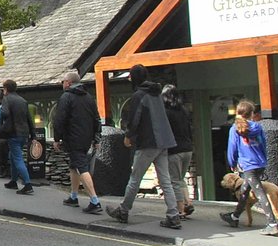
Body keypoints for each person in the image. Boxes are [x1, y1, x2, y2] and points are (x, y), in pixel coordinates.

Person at [106, 64, 183, 229]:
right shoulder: (157, 94)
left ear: (133, 78)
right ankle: (173, 214)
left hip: (149, 142)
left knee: (135, 178)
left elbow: (134, 119)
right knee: (165, 180)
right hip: (164, 141)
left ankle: (124, 210)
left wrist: (128, 136)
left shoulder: (139, 96)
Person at [222, 100, 278, 235]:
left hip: (248, 165)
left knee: (259, 193)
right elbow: (263, 145)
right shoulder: (257, 127)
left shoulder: (234, 129)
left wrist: (232, 162)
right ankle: (234, 217)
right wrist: (264, 161)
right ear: (252, 114)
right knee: (245, 190)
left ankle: (272, 223)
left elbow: (232, 149)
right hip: (260, 163)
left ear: (238, 113)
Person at [53, 70, 103, 214]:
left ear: (68, 83)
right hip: (86, 138)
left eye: (63, 81)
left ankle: (95, 201)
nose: (62, 83)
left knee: (81, 167)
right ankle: (73, 196)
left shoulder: (66, 97)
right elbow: (96, 119)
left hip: (73, 138)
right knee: (74, 166)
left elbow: (59, 120)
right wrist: (96, 138)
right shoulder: (88, 97)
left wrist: (57, 139)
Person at [0, 79, 37, 195]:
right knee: (13, 155)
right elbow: (29, 119)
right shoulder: (22, 100)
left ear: (5, 89)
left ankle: (27, 184)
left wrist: (1, 110)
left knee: (18, 158)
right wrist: (33, 135)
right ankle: (13, 181)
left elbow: (4, 113)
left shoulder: (7, 99)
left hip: (13, 132)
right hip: (24, 133)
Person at [162, 84, 195, 218]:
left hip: (174, 150)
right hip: (188, 148)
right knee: (180, 179)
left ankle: (180, 210)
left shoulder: (166, 113)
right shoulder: (184, 110)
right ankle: (188, 203)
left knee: (174, 181)